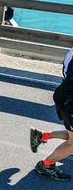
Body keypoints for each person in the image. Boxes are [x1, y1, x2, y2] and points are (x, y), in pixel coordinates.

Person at [29, 47, 73, 181]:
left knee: (72, 135)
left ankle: (42, 136)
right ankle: (46, 165)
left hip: (66, 98)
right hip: (70, 102)